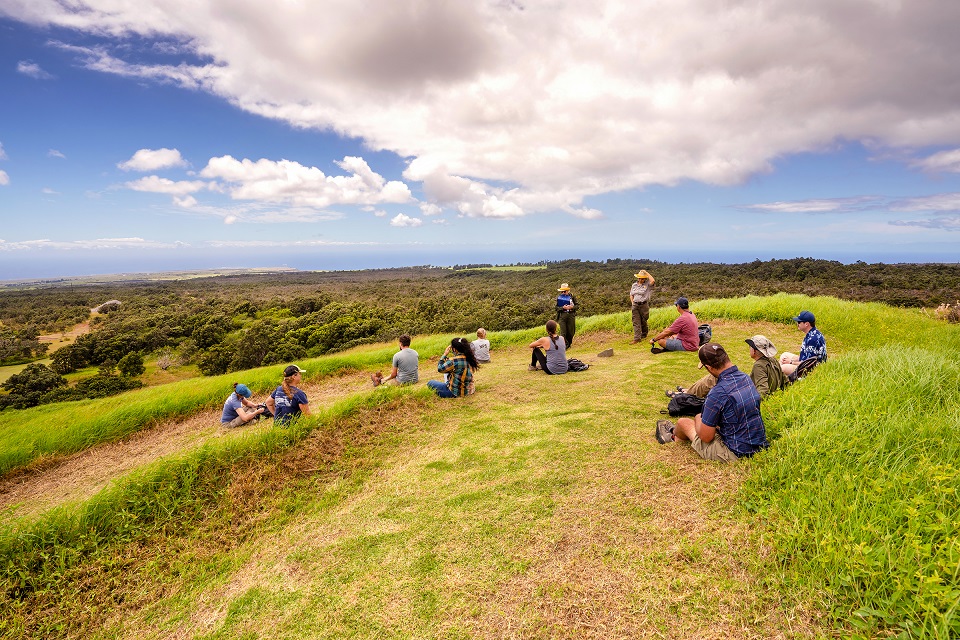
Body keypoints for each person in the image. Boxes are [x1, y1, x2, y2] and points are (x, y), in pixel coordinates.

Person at [656, 343, 769, 462]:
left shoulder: (717, 393)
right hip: (758, 444)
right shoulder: (745, 378)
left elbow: (706, 437)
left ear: (709, 367)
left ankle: (674, 435)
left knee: (684, 422)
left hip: (735, 452)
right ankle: (677, 435)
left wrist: (698, 418)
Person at [668, 334, 787, 400]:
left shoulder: (759, 366)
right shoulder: (773, 360)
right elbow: (785, 381)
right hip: (750, 390)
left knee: (712, 379)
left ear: (755, 351)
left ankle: (687, 394)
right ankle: (688, 391)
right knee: (715, 378)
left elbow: (763, 391)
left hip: (746, 394)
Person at [780, 310, 827, 376]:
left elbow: (807, 364)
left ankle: (782, 380)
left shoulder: (813, 339)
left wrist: (791, 362)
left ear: (806, 324)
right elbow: (805, 357)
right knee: (784, 355)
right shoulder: (812, 333)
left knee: (783, 368)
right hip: (805, 363)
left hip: (811, 370)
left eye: (799, 322)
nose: (797, 324)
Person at [629, 270, 655, 343]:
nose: (641, 279)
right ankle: (637, 338)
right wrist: (632, 302)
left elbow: (653, 280)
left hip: (644, 305)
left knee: (644, 320)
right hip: (635, 305)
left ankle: (644, 333)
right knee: (636, 321)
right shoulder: (634, 285)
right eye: (639, 278)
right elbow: (631, 294)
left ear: (645, 278)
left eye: (642, 278)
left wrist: (646, 273)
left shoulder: (647, 285)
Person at [555, 283, 578, 349]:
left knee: (571, 332)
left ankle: (569, 344)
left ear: (568, 291)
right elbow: (556, 308)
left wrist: (571, 307)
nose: (563, 292)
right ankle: (564, 346)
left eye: (564, 291)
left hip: (571, 315)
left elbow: (577, 306)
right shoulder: (559, 297)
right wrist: (563, 308)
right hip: (562, 316)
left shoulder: (572, 297)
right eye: (562, 291)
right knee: (563, 332)